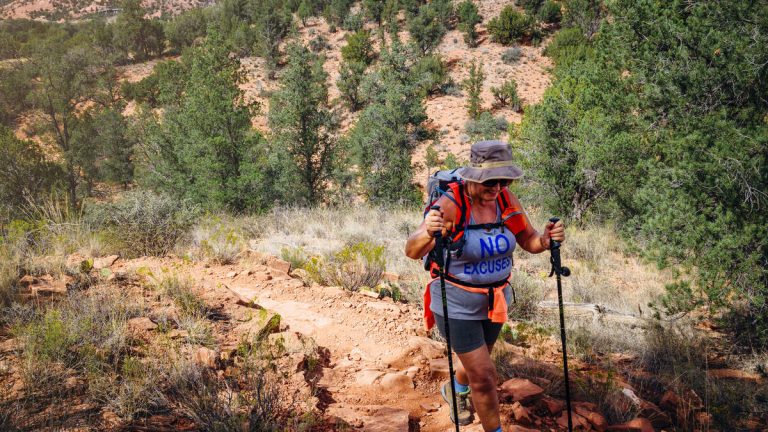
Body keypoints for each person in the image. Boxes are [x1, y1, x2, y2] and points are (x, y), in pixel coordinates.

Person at [405, 140, 565, 431]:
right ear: (474, 176)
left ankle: (455, 391)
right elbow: (412, 250)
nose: (497, 186)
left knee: (473, 365)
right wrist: (429, 230)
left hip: (495, 302)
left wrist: (544, 241)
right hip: (456, 303)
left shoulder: (505, 200)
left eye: (504, 180)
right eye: (491, 180)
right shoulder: (451, 204)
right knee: (485, 375)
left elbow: (527, 238)